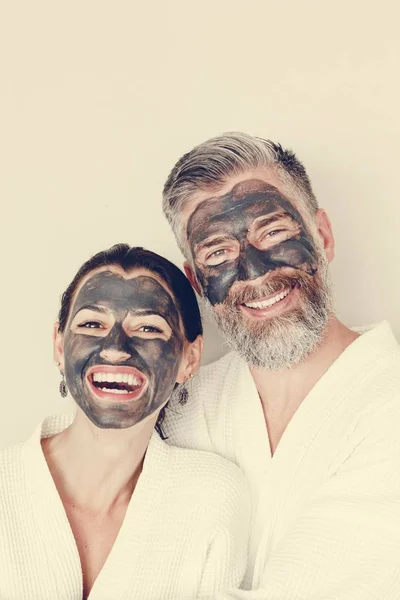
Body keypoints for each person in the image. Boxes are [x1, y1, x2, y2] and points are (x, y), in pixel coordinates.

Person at [161, 132, 400, 599]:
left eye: (273, 232)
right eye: (217, 253)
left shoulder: (391, 404)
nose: (254, 271)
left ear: (322, 236)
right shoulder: (182, 406)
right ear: (195, 280)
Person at [0, 244, 250, 600]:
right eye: (91, 324)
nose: (115, 348)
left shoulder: (212, 497)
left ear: (189, 358)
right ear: (59, 345)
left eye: (148, 328)